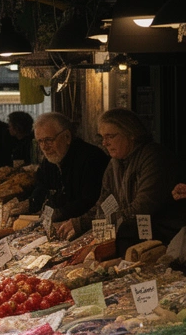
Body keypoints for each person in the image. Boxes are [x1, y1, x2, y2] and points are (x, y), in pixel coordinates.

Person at [58, 108, 183, 251]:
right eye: (102, 137)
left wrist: (96, 227)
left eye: (110, 136)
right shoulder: (114, 163)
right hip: (131, 238)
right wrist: (79, 223)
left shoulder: (154, 158)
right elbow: (103, 206)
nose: (104, 143)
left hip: (164, 242)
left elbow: (141, 209)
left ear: (131, 134)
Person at [28, 112, 109, 226]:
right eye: (40, 141)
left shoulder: (92, 158)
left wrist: (59, 213)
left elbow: (90, 201)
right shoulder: (49, 161)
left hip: (87, 226)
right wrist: (27, 205)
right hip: (61, 226)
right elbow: (41, 188)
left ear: (67, 137)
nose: (44, 147)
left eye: (49, 140)